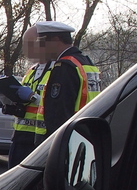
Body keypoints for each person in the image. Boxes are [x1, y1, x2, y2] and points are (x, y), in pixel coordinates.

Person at [8, 21, 101, 168]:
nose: (41, 48)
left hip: (62, 141)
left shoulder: (64, 66)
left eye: (42, 43)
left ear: (56, 40)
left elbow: (57, 114)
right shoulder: (86, 63)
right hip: (83, 135)